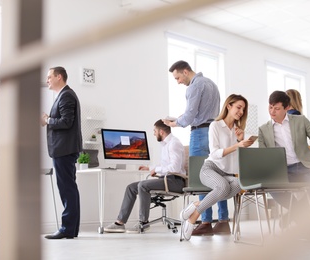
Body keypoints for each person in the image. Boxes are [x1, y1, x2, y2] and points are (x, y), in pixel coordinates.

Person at [163, 60, 229, 236]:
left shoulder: (193, 87)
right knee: (220, 175)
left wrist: (175, 123)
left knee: (202, 177)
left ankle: (206, 222)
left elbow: (191, 116)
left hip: (200, 134)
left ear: (185, 71)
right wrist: (181, 118)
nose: (178, 81)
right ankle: (223, 221)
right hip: (215, 132)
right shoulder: (212, 84)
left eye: (177, 77)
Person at [180, 94, 255, 240]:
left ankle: (196, 205)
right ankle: (193, 217)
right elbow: (214, 153)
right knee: (222, 188)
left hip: (227, 173)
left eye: (243, 109)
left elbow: (239, 158)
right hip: (210, 169)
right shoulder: (215, 125)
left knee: (239, 184)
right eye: (238, 107)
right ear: (228, 106)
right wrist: (237, 145)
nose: (241, 112)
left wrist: (241, 142)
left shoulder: (238, 130)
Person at [258, 90, 310, 227]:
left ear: (287, 108)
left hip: (305, 166)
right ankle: (301, 217)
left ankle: (294, 213)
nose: (272, 111)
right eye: (270, 107)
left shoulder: (300, 120)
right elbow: (263, 156)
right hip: (284, 171)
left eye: (277, 108)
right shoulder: (263, 130)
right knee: (271, 186)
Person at [103, 119, 186, 233]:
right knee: (131, 187)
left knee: (143, 185)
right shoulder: (165, 144)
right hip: (166, 179)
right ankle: (120, 222)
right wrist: (151, 168)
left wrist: (156, 169)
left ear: (161, 131)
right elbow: (165, 165)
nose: (153, 133)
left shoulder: (174, 143)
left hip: (175, 181)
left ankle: (144, 222)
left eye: (154, 131)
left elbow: (174, 168)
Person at [41, 66, 82, 239]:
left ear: (59, 77)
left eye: (49, 76)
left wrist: (47, 120)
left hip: (64, 149)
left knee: (67, 189)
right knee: (68, 188)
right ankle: (71, 230)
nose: (47, 80)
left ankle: (67, 229)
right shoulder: (65, 95)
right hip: (64, 149)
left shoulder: (66, 95)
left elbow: (65, 122)